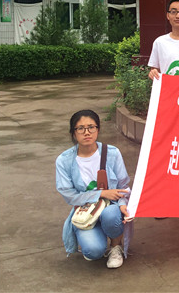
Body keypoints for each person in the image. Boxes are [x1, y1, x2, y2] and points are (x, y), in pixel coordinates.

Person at [56, 110, 132, 269]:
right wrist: (101, 193)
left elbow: (123, 186)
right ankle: (92, 236)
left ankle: (115, 246)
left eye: (91, 127)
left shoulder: (112, 153)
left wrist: (123, 204)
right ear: (73, 132)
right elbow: (69, 195)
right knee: (93, 251)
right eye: (80, 128)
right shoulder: (64, 160)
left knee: (110, 215)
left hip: (110, 207)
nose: (87, 132)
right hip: (86, 210)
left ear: (98, 129)